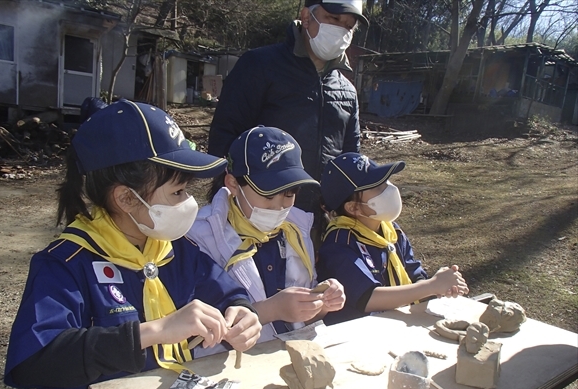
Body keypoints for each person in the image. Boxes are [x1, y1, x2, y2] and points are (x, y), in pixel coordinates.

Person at [4, 100, 262, 389]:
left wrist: (242, 311)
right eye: (178, 192)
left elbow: (226, 291)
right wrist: (153, 332)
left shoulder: (173, 249)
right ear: (126, 198)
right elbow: (36, 360)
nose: (189, 203)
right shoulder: (66, 263)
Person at [187, 126, 346, 345]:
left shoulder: (296, 230)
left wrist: (322, 303)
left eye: (289, 194)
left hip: (290, 354)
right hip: (230, 364)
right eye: (268, 195)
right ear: (233, 184)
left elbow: (305, 314)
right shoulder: (199, 236)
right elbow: (196, 332)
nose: (279, 206)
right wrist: (271, 310)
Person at [208, 0, 367, 214]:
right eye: (334, 19)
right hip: (259, 212)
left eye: (348, 26)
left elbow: (351, 158)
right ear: (307, 17)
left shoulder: (346, 90)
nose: (340, 30)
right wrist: (235, 201)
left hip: (318, 218)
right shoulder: (259, 66)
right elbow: (225, 136)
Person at [317, 153, 469, 325]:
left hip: (397, 322)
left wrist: (439, 286)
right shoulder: (339, 244)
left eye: (386, 181)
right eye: (377, 186)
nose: (389, 189)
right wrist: (431, 286)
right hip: (360, 332)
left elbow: (414, 273)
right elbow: (368, 298)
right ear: (353, 207)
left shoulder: (391, 229)